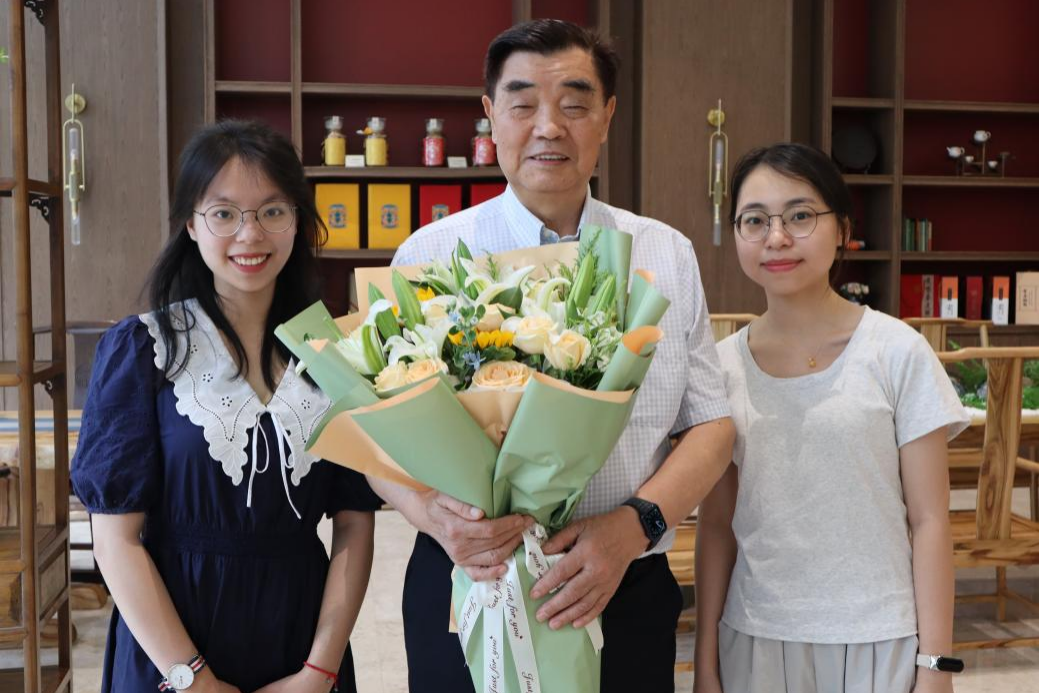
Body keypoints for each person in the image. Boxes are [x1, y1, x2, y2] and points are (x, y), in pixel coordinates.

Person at [365, 19, 735, 693]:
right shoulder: (430, 253)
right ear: (490, 115)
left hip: (624, 580)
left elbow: (711, 424)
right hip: (469, 578)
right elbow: (377, 436)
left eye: (573, 104)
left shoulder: (665, 254)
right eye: (523, 104)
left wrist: (634, 527)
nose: (548, 127)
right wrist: (435, 519)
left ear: (607, 116)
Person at [71, 120, 379, 693]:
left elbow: (355, 523)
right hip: (170, 651)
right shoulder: (144, 348)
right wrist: (193, 679)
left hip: (299, 644)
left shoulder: (333, 353)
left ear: (297, 221)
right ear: (191, 224)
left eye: (272, 211)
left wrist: (319, 671)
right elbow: (115, 541)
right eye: (224, 213)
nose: (250, 234)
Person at [694, 143, 969, 693]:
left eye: (800, 216)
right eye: (755, 220)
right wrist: (704, 664)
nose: (776, 237)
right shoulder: (721, 368)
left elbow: (930, 522)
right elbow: (717, 526)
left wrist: (935, 664)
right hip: (756, 637)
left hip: (881, 638)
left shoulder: (896, 352)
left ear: (842, 229)